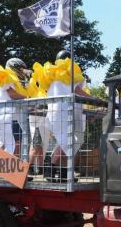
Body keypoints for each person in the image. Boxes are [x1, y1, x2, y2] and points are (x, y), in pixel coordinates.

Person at [33, 50, 90, 180]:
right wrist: (95, 100)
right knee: (67, 142)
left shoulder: (53, 76)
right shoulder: (68, 73)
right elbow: (78, 90)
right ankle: (50, 168)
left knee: (66, 142)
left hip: (58, 113)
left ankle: (64, 173)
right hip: (65, 113)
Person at [0, 58, 31, 155]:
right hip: (8, 117)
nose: (23, 72)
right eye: (21, 69)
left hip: (11, 117)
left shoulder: (14, 80)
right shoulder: (6, 77)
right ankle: (6, 166)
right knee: (15, 143)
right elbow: (13, 94)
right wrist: (28, 98)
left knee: (11, 142)